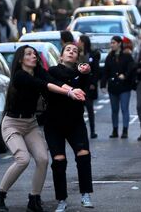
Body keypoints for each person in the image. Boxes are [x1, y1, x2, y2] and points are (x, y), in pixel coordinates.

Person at [0, 45, 85, 212]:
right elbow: (44, 85)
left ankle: (34, 199)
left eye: (34, 53)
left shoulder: (39, 71)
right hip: (12, 124)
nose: (33, 56)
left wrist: (71, 89)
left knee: (43, 159)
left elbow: (53, 81)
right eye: (29, 54)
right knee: (23, 159)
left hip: (30, 124)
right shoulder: (20, 76)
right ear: (21, 59)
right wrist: (69, 93)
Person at [44, 44, 94, 212]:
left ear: (78, 57)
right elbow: (54, 82)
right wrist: (72, 85)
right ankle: (61, 199)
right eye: (68, 50)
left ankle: (85, 194)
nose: (71, 52)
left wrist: (86, 74)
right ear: (61, 56)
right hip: (54, 123)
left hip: (75, 122)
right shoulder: (52, 71)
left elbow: (87, 92)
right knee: (58, 161)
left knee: (83, 155)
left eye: (75, 51)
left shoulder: (81, 74)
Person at [101, 36, 134, 139]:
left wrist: (125, 75)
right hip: (113, 87)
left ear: (119, 43)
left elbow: (132, 67)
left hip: (124, 87)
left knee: (124, 109)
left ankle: (125, 130)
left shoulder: (126, 56)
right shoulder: (109, 56)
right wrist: (103, 84)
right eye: (111, 43)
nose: (112, 45)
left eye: (114, 43)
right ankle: (115, 130)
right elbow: (105, 72)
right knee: (114, 109)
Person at [78, 35, 100, 139]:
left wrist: (93, 83)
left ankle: (92, 131)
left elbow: (96, 70)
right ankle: (80, 131)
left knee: (89, 108)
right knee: (78, 110)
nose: (78, 43)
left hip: (88, 85)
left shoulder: (92, 54)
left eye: (79, 41)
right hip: (79, 85)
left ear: (83, 42)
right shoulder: (77, 54)